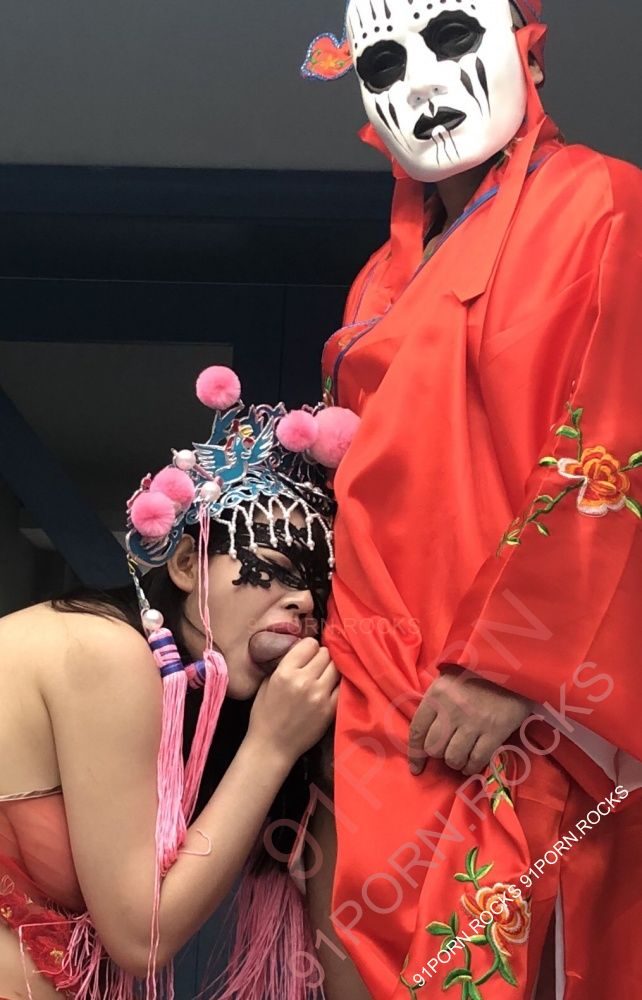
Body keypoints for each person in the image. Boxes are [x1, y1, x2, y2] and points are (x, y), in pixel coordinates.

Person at [300, 1, 642, 998]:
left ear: (526, 49)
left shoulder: (604, 202)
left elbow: (615, 435)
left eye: (451, 37)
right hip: (379, 682)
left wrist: (511, 665)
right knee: (378, 957)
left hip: (515, 694)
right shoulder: (378, 280)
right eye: (382, 62)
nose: (420, 82)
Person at [0, 364, 359, 1000]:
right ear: (189, 564)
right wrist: (271, 745)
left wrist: (308, 754)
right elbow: (143, 939)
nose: (303, 601)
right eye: (275, 568)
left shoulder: (191, 705)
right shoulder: (102, 650)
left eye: (317, 588)